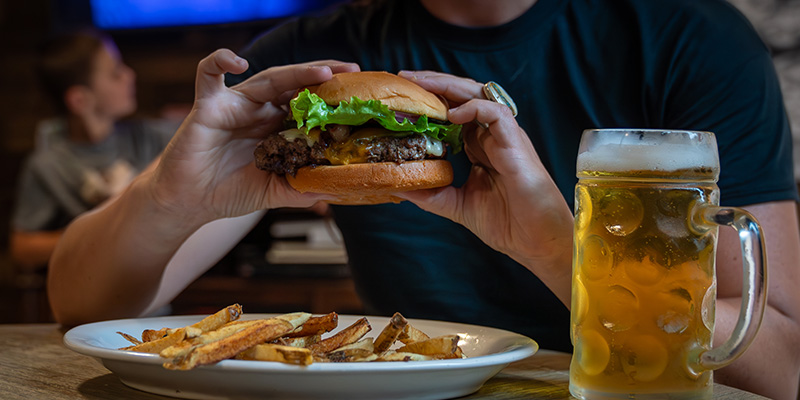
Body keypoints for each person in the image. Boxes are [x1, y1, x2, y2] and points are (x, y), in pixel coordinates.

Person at [47, 1, 800, 398]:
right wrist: (173, 199)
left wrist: (549, 243)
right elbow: (82, 309)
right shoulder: (310, 63)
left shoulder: (692, 41)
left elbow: (781, 367)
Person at [9, 30, 175, 271]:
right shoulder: (48, 165)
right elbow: (22, 247)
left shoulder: (150, 137)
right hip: (87, 291)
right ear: (79, 100)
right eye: (115, 72)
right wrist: (94, 234)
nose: (130, 74)